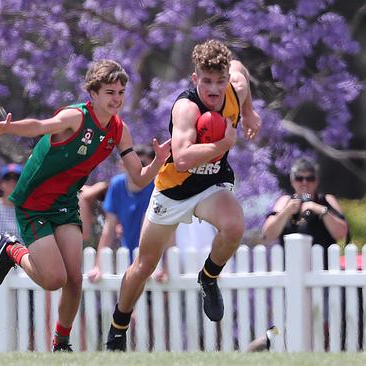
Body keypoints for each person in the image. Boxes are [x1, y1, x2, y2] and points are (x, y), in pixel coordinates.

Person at [0, 59, 171, 352]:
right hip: (34, 203)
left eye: (121, 92)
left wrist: (158, 162)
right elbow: (41, 126)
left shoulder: (120, 130)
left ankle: (61, 343)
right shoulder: (76, 117)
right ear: (93, 94)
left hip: (66, 203)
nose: (116, 98)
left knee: (73, 279)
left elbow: (139, 177)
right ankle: (10, 249)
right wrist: (10, 128)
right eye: (110, 92)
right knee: (54, 279)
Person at [104, 39, 262, 351]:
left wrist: (250, 111)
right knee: (145, 264)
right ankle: (117, 330)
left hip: (211, 184)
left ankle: (208, 276)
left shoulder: (237, 85)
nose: (214, 90)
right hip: (173, 190)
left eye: (220, 81)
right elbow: (184, 156)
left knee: (234, 227)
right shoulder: (186, 107)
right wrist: (222, 145)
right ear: (195, 79)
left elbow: (241, 70)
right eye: (206, 82)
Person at [262, 158, 348, 269]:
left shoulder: (326, 200)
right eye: (299, 178)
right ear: (292, 181)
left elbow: (341, 233)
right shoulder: (284, 201)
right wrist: (286, 212)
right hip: (291, 272)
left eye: (310, 178)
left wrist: (318, 209)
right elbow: (268, 235)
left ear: (316, 181)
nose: (304, 183)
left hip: (324, 272)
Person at [87, 145, 155, 282]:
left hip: (155, 260)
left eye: (145, 165)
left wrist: (164, 267)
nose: (141, 170)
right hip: (128, 256)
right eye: (135, 164)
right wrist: (98, 266)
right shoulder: (117, 185)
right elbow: (109, 228)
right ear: (122, 165)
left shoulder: (157, 187)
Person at [0, 163, 22, 239]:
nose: (12, 182)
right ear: (0, 184)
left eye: (16, 179)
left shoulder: (26, 210)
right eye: (7, 178)